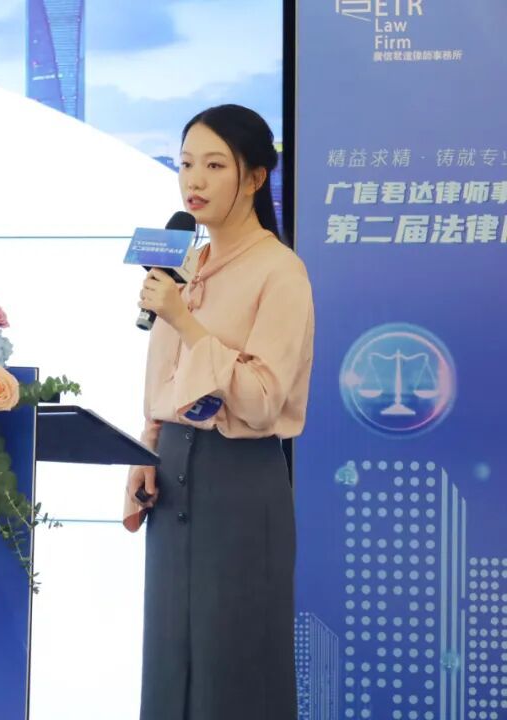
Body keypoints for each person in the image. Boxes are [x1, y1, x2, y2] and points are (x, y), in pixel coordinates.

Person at [125, 104, 314, 720]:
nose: (194, 181)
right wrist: (147, 447)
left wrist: (185, 318)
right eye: (186, 165)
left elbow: (261, 400)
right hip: (171, 479)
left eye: (214, 165)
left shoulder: (280, 271)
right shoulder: (185, 261)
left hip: (240, 483)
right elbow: (165, 376)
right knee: (169, 660)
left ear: (255, 177)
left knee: (233, 663)